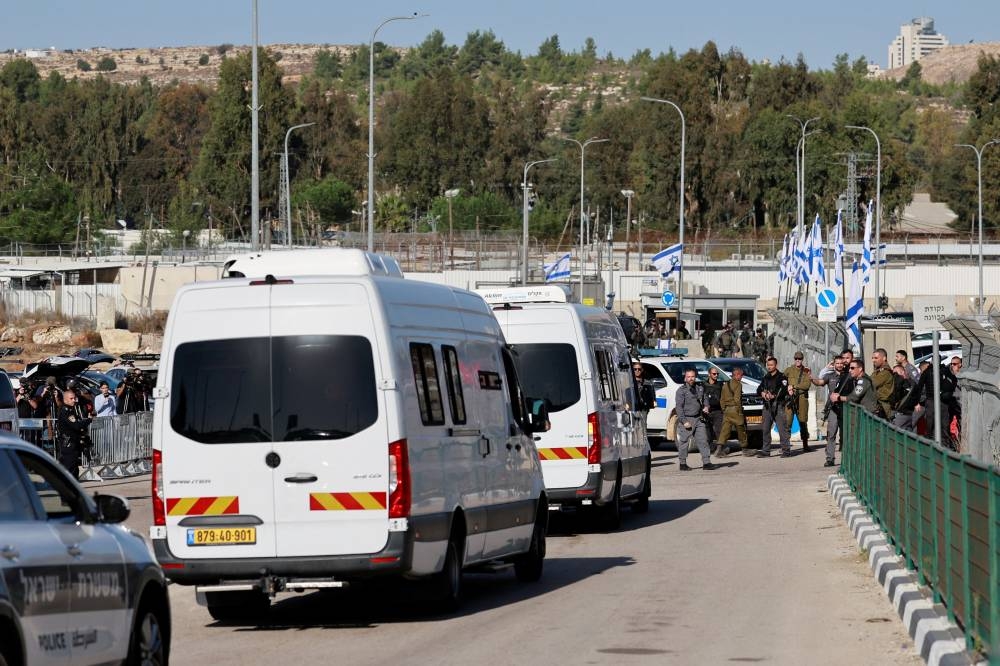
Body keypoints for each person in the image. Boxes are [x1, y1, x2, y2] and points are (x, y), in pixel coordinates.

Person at [674, 369, 715, 471]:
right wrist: (684, 421)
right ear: (685, 378)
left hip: (699, 418)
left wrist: (706, 406)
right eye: (688, 377)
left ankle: (706, 462)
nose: (691, 379)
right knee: (684, 442)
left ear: (695, 377)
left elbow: (705, 398)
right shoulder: (681, 391)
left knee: (703, 440)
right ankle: (682, 464)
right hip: (687, 418)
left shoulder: (699, 388)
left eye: (692, 376)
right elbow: (679, 408)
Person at [812, 354, 850, 466]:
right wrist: (811, 378)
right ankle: (830, 458)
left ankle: (847, 459)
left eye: (841, 363)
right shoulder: (829, 376)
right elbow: (820, 383)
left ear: (844, 364)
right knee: (831, 434)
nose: (839, 365)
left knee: (845, 435)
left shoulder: (848, 376)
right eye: (837, 363)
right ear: (834, 364)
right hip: (833, 408)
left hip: (845, 408)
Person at [756, 357, 790, 457]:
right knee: (765, 429)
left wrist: (774, 395)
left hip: (778, 406)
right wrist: (763, 393)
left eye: (771, 365)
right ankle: (766, 451)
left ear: (776, 365)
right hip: (767, 406)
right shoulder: (766, 377)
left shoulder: (782, 377)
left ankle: (786, 450)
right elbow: (759, 389)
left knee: (782, 429)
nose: (769, 367)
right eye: (768, 365)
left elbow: (784, 390)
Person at [56, 389, 92, 480]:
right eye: (71, 398)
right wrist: (88, 420)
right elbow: (76, 425)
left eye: (74, 398)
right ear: (65, 400)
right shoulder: (66, 411)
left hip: (73, 442)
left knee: (74, 467)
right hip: (68, 443)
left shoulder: (71, 409)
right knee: (70, 466)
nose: (74, 400)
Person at [716, 366, 750, 456]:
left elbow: (722, 400)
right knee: (741, 429)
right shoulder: (738, 384)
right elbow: (737, 399)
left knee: (725, 431)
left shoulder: (725, 385)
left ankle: (719, 450)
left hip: (727, 410)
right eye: (741, 375)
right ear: (737, 375)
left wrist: (724, 409)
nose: (742, 377)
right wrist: (740, 412)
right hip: (735, 410)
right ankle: (745, 449)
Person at [783, 351, 812, 452]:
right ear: (794, 359)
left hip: (802, 399)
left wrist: (794, 386)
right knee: (788, 422)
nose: (798, 360)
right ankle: (786, 446)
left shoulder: (806, 370)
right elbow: (782, 381)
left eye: (799, 359)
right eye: (796, 359)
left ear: (802, 359)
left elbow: (807, 385)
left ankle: (805, 444)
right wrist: (787, 388)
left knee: (803, 422)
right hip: (790, 398)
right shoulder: (788, 370)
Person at [703, 367, 724, 453]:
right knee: (708, 431)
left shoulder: (720, 385)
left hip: (718, 411)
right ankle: (710, 448)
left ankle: (720, 449)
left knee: (719, 430)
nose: (716, 375)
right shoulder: (703, 385)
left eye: (717, 374)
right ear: (709, 374)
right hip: (707, 411)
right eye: (714, 374)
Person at [870, 348, 895, 420]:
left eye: (876, 358)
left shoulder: (885, 372)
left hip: (882, 409)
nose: (873, 360)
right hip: (879, 407)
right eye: (872, 358)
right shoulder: (878, 371)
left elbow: (870, 384)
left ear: (884, 358)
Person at [631, 361, 656, 431]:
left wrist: (653, 401)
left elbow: (652, 393)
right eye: (635, 369)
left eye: (639, 369)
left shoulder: (647, 382)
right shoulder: (629, 382)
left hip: (643, 407)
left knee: (643, 425)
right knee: (633, 426)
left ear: (642, 370)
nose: (637, 371)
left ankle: (643, 437)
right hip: (632, 407)